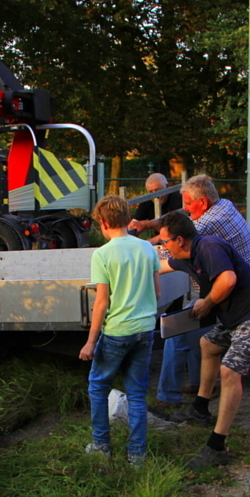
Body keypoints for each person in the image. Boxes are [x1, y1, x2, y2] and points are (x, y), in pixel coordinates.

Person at [156, 212, 250, 468]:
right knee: (209, 344)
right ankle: (200, 409)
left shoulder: (209, 246)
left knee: (229, 370)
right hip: (238, 320)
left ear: (179, 240)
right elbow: (159, 266)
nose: (163, 248)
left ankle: (217, 447)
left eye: (165, 242)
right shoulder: (186, 258)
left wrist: (208, 301)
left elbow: (228, 279)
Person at [134, 175, 250, 411]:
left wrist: (134, 253)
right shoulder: (224, 205)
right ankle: (198, 384)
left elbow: (171, 250)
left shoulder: (205, 227)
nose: (184, 208)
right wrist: (149, 227)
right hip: (243, 289)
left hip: (235, 296)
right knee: (200, 333)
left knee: (177, 330)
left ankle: (168, 396)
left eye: (188, 204)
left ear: (203, 203)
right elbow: (178, 229)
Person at [80, 195, 161, 467]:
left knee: (98, 385)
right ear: (128, 220)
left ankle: (101, 445)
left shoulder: (102, 254)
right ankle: (136, 455)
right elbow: (157, 292)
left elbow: (101, 303)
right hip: (146, 328)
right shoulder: (149, 249)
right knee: (137, 393)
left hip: (117, 331)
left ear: (103, 223)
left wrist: (91, 342)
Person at [133, 173, 182, 245]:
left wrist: (151, 241)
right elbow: (134, 223)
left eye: (158, 190)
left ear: (167, 186)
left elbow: (177, 227)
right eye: (151, 192)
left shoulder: (178, 198)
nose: (155, 196)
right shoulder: (147, 200)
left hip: (176, 241)